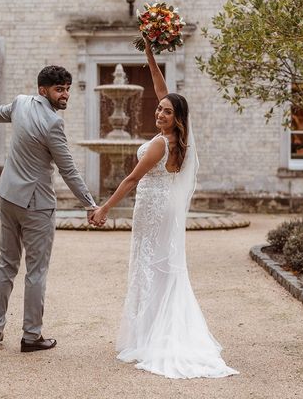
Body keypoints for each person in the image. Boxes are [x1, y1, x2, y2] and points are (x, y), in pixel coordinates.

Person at [91, 38, 239, 379]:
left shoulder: (159, 144)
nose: (159, 112)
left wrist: (104, 209)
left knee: (149, 267)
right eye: (159, 109)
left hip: (153, 209)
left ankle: (151, 335)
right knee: (161, 267)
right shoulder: (180, 140)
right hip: (163, 207)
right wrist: (149, 56)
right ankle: (153, 328)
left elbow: (129, 179)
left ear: (176, 118)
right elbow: (162, 88)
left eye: (166, 111)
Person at [0, 65, 98, 353]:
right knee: (36, 271)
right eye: (60, 89)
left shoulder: (20, 103)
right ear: (43, 90)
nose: (65, 94)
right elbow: (68, 170)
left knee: (6, 265)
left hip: (8, 197)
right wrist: (90, 204)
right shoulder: (53, 124)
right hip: (36, 206)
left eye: (68, 88)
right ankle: (31, 336)